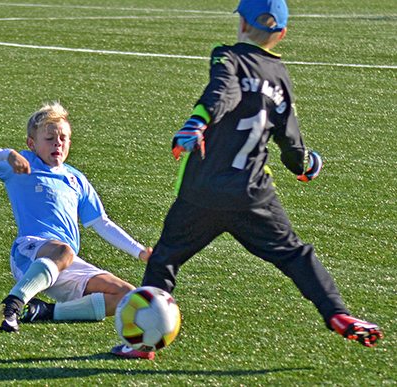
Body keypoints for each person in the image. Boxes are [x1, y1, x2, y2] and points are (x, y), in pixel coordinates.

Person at [114, 0, 383, 357]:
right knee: (296, 256)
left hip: (203, 192)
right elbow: (291, 144)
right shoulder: (281, 77)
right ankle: (339, 314)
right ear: (282, 34)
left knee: (164, 259)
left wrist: (197, 122)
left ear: (241, 23)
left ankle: (144, 346)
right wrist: (307, 165)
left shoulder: (227, 57)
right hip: (252, 194)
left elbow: (222, 92)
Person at [0, 102, 154, 358]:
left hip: (65, 262)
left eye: (64, 138)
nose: (58, 143)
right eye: (50, 138)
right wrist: (5, 153)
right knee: (63, 251)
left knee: (127, 296)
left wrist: (140, 252)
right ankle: (10, 306)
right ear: (31, 144)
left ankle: (43, 312)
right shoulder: (23, 163)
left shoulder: (76, 179)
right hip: (29, 252)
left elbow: (101, 222)